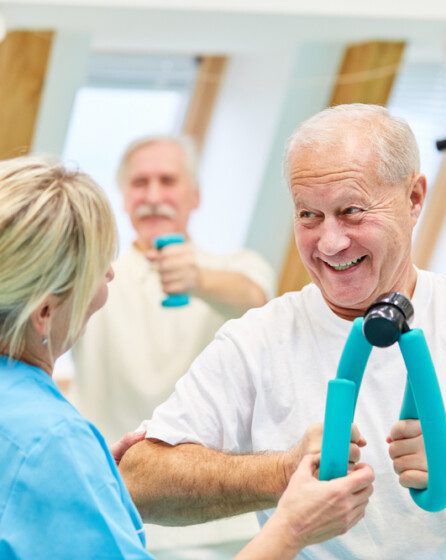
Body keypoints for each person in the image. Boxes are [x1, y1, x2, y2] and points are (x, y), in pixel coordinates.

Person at [119, 104, 446, 559]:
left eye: (351, 211)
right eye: (309, 215)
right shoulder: (256, 339)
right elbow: (140, 480)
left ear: (414, 198)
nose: (329, 243)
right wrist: (279, 474)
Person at [0, 157, 374, 559]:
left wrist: (84, 480)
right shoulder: (53, 441)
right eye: (97, 267)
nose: (109, 278)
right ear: (43, 313)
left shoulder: (41, 434)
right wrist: (293, 528)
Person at [70, 135, 275, 445]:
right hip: (102, 464)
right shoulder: (90, 275)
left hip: (196, 476)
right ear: (124, 198)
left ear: (195, 195)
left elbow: (255, 298)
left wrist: (198, 280)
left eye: (167, 181)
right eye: (140, 183)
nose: (153, 196)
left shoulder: (241, 265)